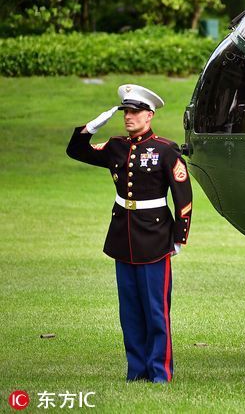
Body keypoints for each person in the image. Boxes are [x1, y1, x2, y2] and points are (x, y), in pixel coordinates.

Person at [66, 84, 192, 382]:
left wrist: (178, 237)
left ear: (149, 115)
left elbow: (183, 197)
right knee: (130, 312)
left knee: (156, 312)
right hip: (123, 236)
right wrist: (91, 126)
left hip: (155, 237)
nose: (128, 117)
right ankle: (136, 372)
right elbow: (76, 151)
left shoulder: (165, 149)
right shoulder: (116, 146)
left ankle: (160, 373)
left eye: (134, 112)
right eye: (125, 112)